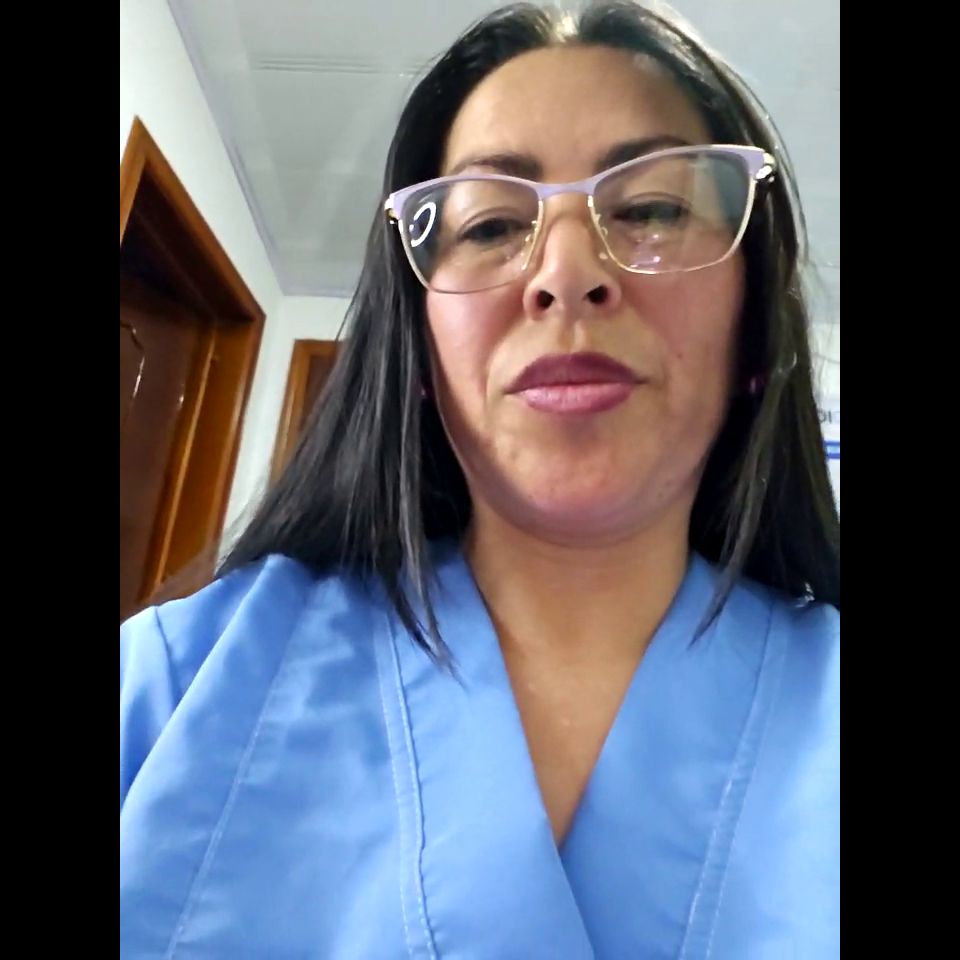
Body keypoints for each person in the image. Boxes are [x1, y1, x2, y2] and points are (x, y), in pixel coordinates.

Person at [120, 2, 840, 956]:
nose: (567, 273)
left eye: (653, 210)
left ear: (753, 330)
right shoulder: (173, 687)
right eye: (493, 224)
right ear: (420, 353)